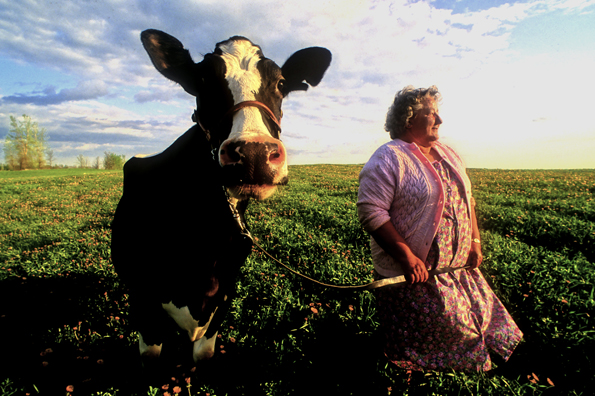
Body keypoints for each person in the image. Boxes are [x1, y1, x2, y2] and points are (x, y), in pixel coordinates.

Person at [357, 85, 522, 372]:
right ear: (409, 120)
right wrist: (407, 257)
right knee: (446, 336)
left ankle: (493, 362)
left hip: (459, 272)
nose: (439, 120)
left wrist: (474, 240)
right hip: (417, 277)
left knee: (486, 323)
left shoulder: (448, 154)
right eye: (431, 113)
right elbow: (371, 211)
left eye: (437, 113)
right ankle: (443, 371)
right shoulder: (389, 157)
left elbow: (467, 199)